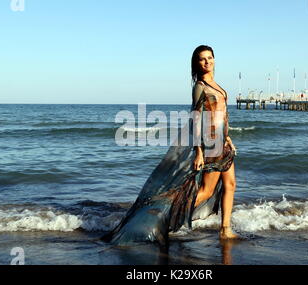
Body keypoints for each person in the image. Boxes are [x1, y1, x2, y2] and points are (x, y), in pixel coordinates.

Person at [101, 45, 239, 247]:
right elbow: (196, 118)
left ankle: (225, 230)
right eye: (202, 59)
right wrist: (199, 151)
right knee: (206, 191)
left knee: (230, 185)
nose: (207, 61)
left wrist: (228, 138)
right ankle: (163, 218)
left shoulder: (217, 86)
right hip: (211, 144)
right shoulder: (200, 86)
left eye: (210, 58)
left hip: (222, 142)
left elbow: (222, 114)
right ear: (197, 63)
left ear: (215, 60)